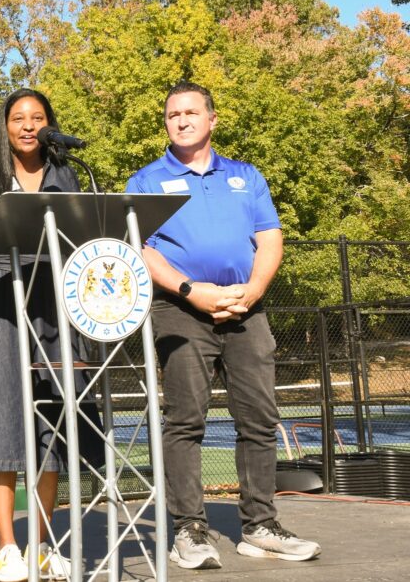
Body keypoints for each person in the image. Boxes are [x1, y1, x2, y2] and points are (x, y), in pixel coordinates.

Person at [125, 81, 320, 569]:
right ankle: (189, 530)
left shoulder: (245, 176)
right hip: (180, 310)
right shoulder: (145, 180)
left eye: (192, 112)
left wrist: (251, 292)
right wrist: (194, 292)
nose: (183, 120)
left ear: (212, 119)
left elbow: (269, 238)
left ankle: (259, 526)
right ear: (166, 124)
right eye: (173, 115)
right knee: (185, 421)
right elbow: (140, 250)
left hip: (246, 308)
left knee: (259, 419)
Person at [0, 88, 103, 582]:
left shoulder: (66, 174)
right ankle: (8, 547)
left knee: (51, 429)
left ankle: (42, 546)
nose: (29, 126)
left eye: (38, 118)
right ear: (3, 125)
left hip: (54, 312)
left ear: (50, 125)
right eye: (19, 118)